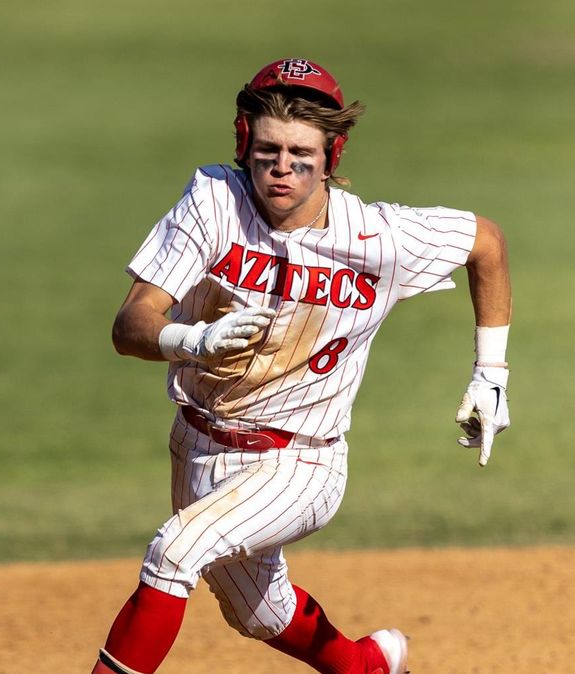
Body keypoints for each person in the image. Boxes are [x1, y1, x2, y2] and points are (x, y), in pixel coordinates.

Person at [91, 57, 512, 674]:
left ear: (332, 154)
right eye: (266, 151)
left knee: (175, 551)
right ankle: (368, 665)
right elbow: (130, 325)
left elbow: (487, 243)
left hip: (303, 460)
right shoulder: (213, 204)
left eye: (300, 153)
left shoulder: (377, 237)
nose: (282, 168)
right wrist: (194, 340)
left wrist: (491, 375)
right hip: (198, 443)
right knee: (258, 613)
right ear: (243, 142)